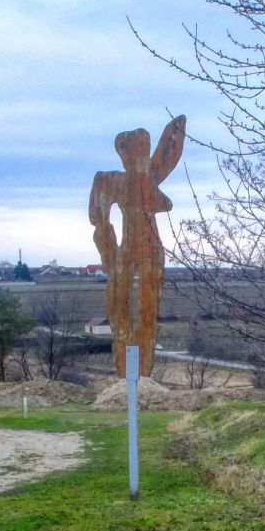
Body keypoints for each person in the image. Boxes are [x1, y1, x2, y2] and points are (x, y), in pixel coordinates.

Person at [89, 116, 186, 377]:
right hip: (127, 249)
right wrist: (108, 253)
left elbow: (170, 152)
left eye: (136, 152)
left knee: (147, 311)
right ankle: (127, 370)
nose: (130, 159)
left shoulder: (145, 178)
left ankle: (140, 373)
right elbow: (99, 220)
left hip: (149, 249)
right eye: (126, 153)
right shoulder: (111, 180)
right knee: (119, 310)